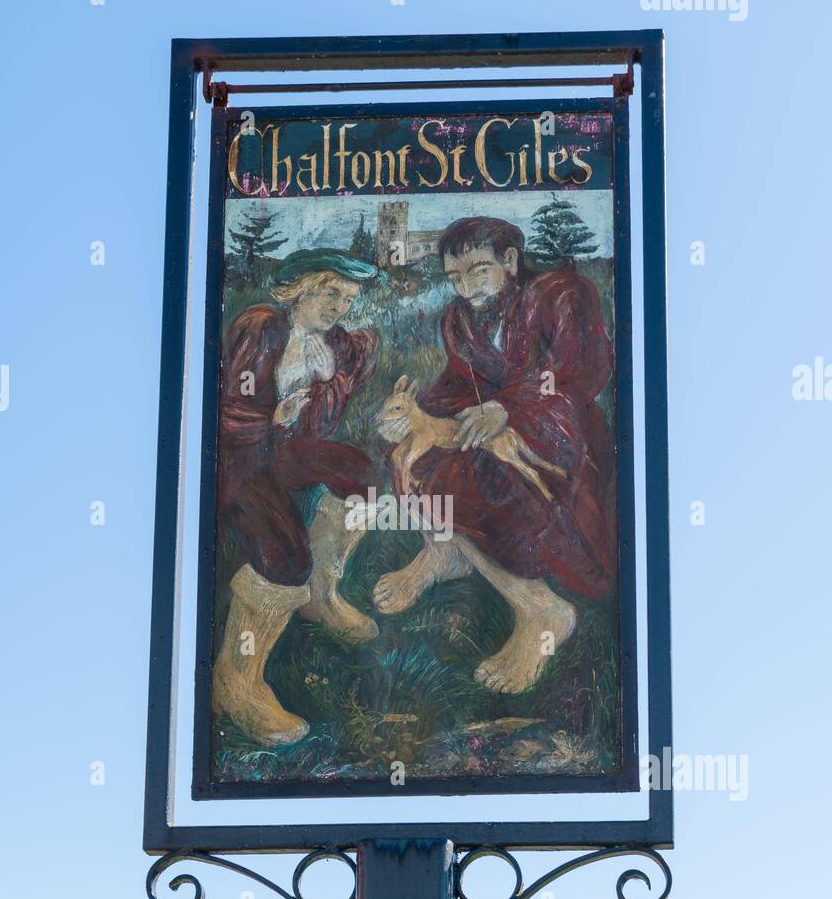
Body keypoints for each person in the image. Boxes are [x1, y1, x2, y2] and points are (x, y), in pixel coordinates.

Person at [373, 215, 615, 695]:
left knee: (482, 470)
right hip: (494, 421)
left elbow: (577, 373)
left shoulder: (562, 294)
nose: (466, 287)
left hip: (560, 433)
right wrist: (417, 417)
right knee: (411, 453)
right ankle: (443, 554)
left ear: (509, 260)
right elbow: (460, 385)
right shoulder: (459, 319)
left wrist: (508, 410)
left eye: (478, 270)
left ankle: (541, 610)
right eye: (455, 277)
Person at [213, 249, 380, 746]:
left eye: (348, 298)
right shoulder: (261, 329)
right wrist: (271, 420)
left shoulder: (340, 345)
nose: (339, 306)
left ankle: (323, 596)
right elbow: (224, 410)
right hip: (242, 457)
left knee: (366, 479)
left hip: (288, 450)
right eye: (331, 292)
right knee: (285, 556)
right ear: (302, 286)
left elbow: (340, 388)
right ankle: (236, 680)